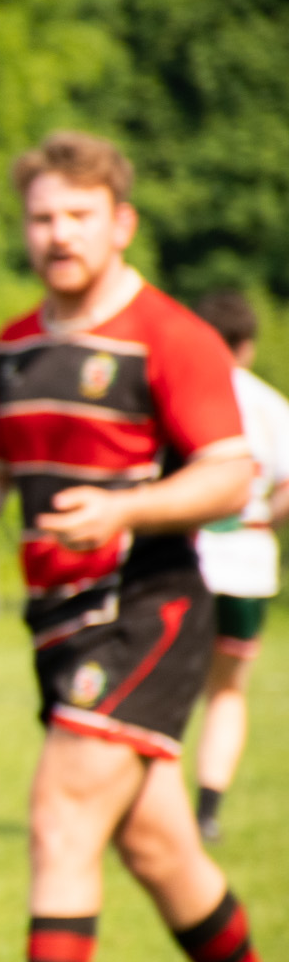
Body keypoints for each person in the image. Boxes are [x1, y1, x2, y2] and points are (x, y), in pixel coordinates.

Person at [0, 132, 289, 962]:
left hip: (146, 610)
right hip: (59, 624)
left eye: (78, 216)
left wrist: (123, 509)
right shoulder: (15, 347)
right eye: (42, 217)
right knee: (161, 850)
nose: (58, 234)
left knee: (61, 811)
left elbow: (229, 475)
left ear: (121, 224)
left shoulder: (169, 336)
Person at [188, 288, 289, 842]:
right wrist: (261, 521)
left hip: (187, 560)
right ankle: (206, 811)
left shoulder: (183, 394)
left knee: (165, 689)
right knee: (227, 692)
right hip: (247, 568)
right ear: (247, 345)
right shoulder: (272, 406)